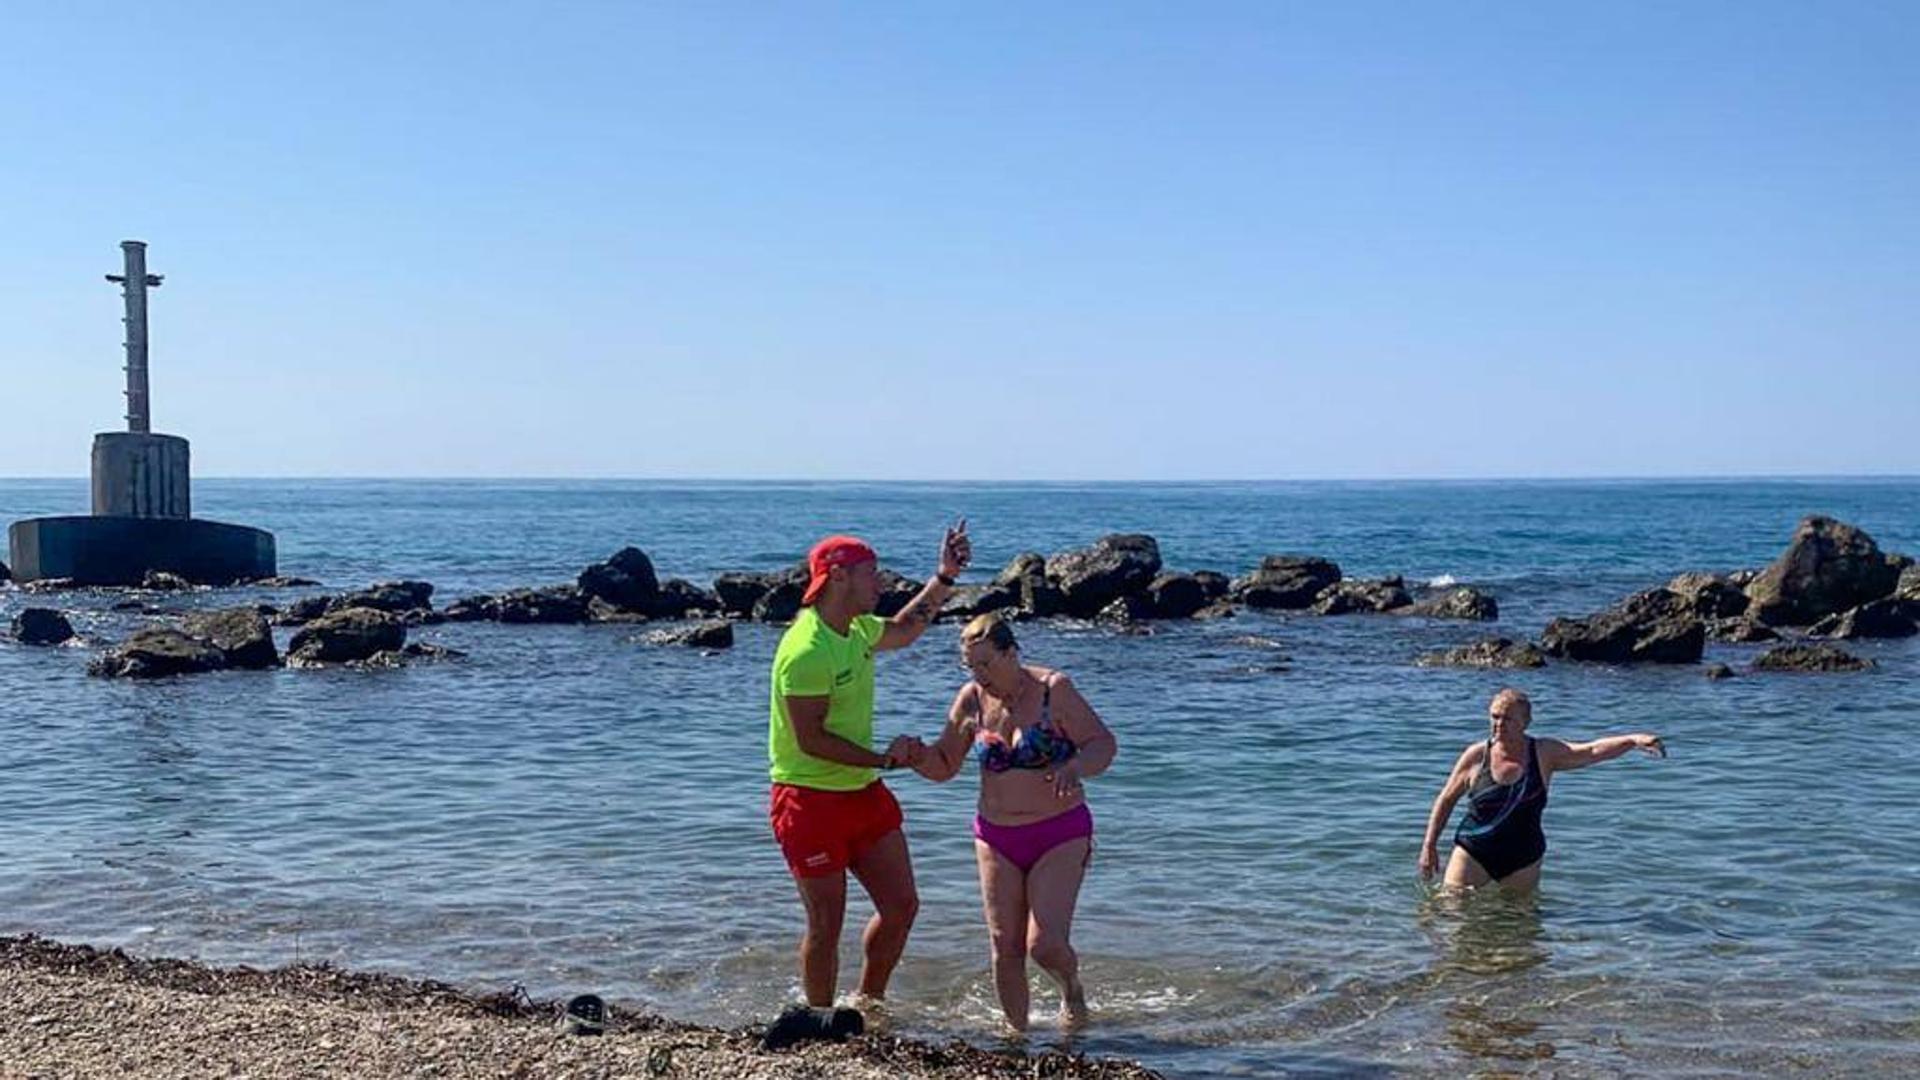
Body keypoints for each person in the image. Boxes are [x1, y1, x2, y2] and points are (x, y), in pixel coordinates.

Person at [766, 523, 970, 1028]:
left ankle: (864, 1008)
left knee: (901, 905)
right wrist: (886, 760)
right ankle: (816, 1021)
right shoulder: (806, 648)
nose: (878, 583)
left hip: (862, 794)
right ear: (836, 577)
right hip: (809, 800)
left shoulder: (855, 631)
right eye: (870, 574)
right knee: (826, 924)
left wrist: (944, 577)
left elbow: (905, 628)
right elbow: (811, 739)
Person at [911, 613, 1117, 1032]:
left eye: (986, 663)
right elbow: (945, 764)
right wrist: (911, 756)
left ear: (1011, 653)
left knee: (1043, 946)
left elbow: (1103, 744)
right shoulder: (971, 699)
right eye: (971, 665)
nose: (979, 674)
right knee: (1005, 946)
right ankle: (1016, 1040)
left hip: (1059, 831)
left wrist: (1075, 767)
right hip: (996, 835)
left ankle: (1071, 989)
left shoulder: (1052, 691)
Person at [1419, 688, 1665, 892]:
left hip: (1524, 857)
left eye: (1507, 719)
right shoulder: (1476, 756)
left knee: (1519, 931)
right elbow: (1446, 800)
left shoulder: (1544, 752)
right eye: (1494, 717)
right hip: (1474, 851)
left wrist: (1633, 740)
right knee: (1450, 915)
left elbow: (1590, 751)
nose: (1499, 724)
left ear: (1525, 722)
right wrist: (1429, 845)